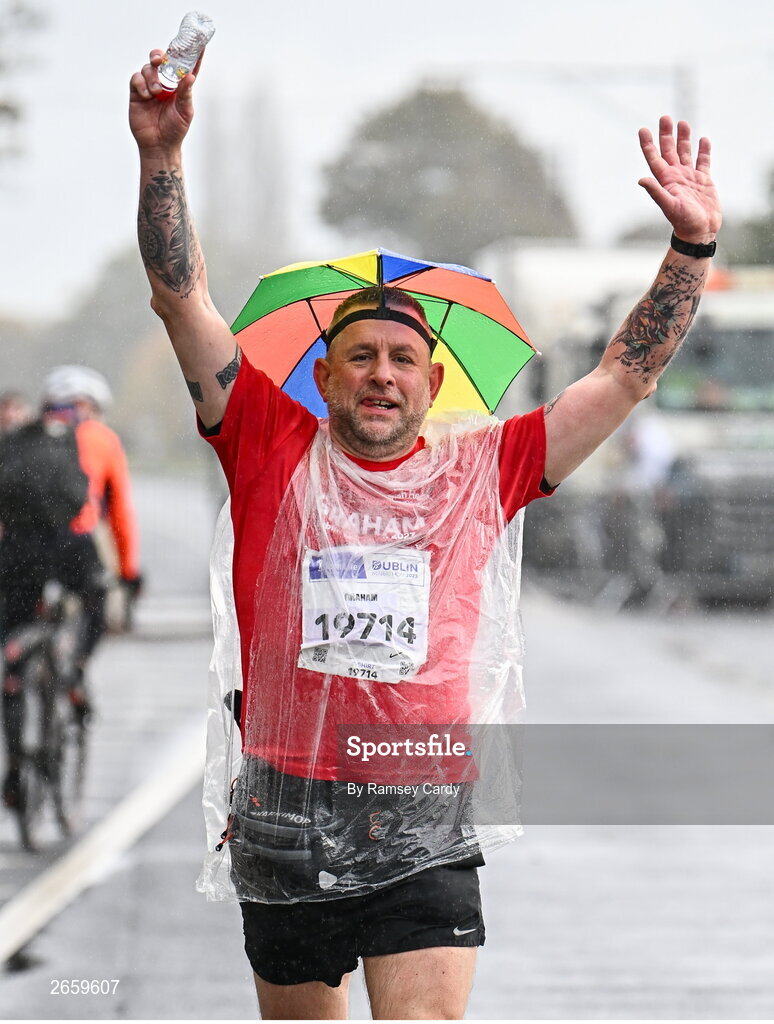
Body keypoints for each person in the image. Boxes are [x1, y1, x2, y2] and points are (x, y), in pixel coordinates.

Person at [129, 45, 720, 1020]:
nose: (382, 372)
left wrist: (690, 250)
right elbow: (180, 298)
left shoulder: (480, 466)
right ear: (322, 377)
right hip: (288, 808)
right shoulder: (263, 436)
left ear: (434, 383)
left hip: (420, 806)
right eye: (359, 354)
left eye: (406, 357)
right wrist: (161, 158)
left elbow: (624, 375)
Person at [1, 366, 141, 808]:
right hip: (73, 547)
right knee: (95, 604)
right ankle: (76, 670)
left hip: (19, 551)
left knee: (14, 645)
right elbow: (119, 516)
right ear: (93, 405)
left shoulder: (21, 436)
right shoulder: (101, 437)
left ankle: (16, 761)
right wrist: (129, 574)